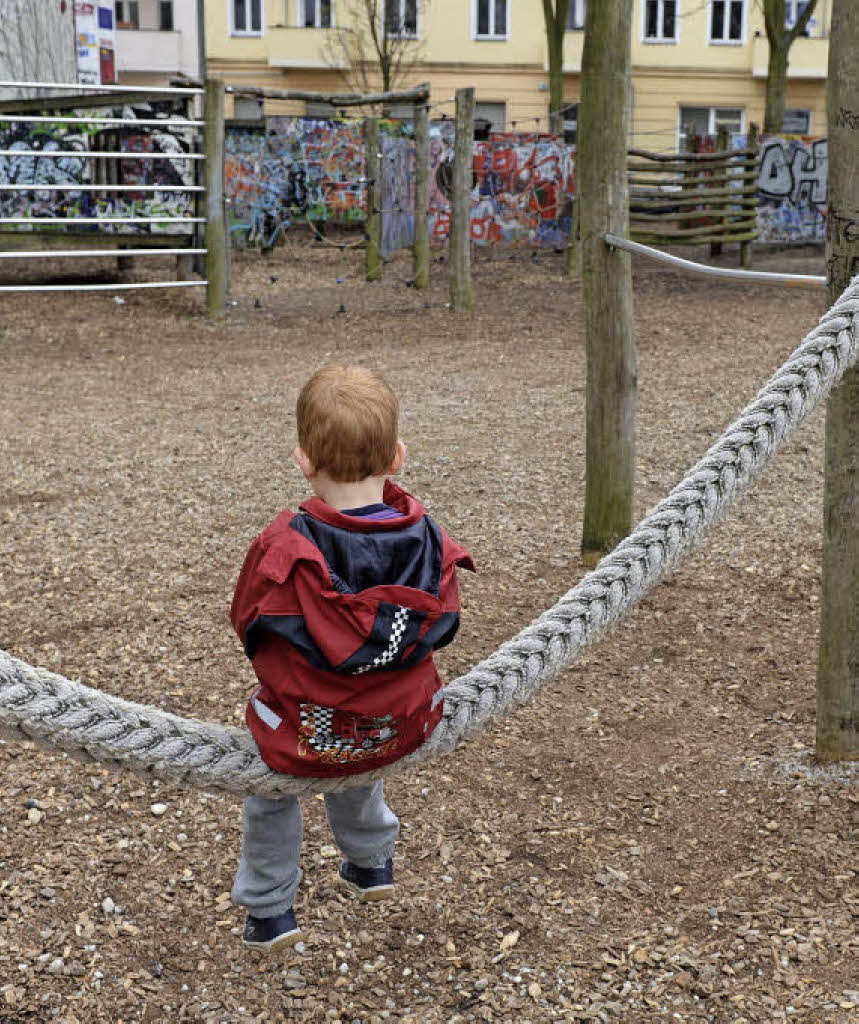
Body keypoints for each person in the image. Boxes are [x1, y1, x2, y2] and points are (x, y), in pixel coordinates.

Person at [229, 364, 474, 951]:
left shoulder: (285, 547)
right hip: (399, 722)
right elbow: (444, 627)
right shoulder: (430, 538)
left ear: (303, 460)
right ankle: (371, 866)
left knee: (272, 791)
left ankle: (269, 913)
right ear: (397, 456)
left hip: (304, 732)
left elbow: (249, 623)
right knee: (361, 750)